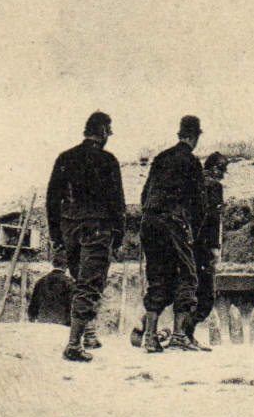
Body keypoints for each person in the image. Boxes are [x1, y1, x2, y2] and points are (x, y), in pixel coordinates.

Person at [46, 111, 126, 361]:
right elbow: (118, 203)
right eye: (108, 132)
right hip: (97, 229)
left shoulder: (65, 158)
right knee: (90, 284)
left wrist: (56, 235)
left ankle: (89, 333)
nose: (108, 137)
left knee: (81, 279)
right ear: (102, 131)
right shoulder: (108, 160)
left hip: (70, 229)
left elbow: (52, 199)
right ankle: (73, 345)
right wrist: (118, 236)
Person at [139, 115, 207, 352]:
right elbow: (200, 205)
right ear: (195, 137)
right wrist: (192, 234)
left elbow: (145, 194)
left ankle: (149, 337)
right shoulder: (191, 162)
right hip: (174, 223)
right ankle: (179, 336)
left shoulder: (161, 158)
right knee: (187, 275)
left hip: (150, 223)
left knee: (157, 276)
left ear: (180, 134)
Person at [187, 151, 229, 350]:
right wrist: (214, 248)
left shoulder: (192, 184)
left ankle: (147, 326)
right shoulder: (214, 187)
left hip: (188, 246)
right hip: (205, 247)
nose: (223, 175)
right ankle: (187, 334)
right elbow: (212, 220)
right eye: (222, 170)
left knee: (184, 290)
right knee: (206, 296)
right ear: (215, 169)